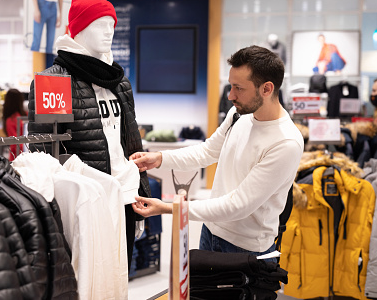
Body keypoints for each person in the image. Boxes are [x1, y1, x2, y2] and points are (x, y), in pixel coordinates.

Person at [130, 45, 304, 263]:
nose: (230, 95)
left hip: (247, 251)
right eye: (230, 86)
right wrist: (160, 159)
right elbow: (208, 151)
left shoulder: (285, 143)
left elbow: (238, 205)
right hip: (210, 232)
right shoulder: (238, 115)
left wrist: (168, 208)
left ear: (267, 89)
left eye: (238, 88)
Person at [27, 0, 151, 269]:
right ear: (80, 28)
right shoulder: (53, 81)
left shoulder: (119, 82)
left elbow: (132, 144)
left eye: (112, 25)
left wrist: (141, 193)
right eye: (100, 24)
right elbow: (44, 153)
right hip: (87, 201)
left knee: (119, 278)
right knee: (85, 281)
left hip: (126, 195)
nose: (108, 32)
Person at [3, 88, 26, 161]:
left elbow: (14, 144)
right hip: (24, 156)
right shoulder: (26, 116)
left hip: (16, 158)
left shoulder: (10, 120)